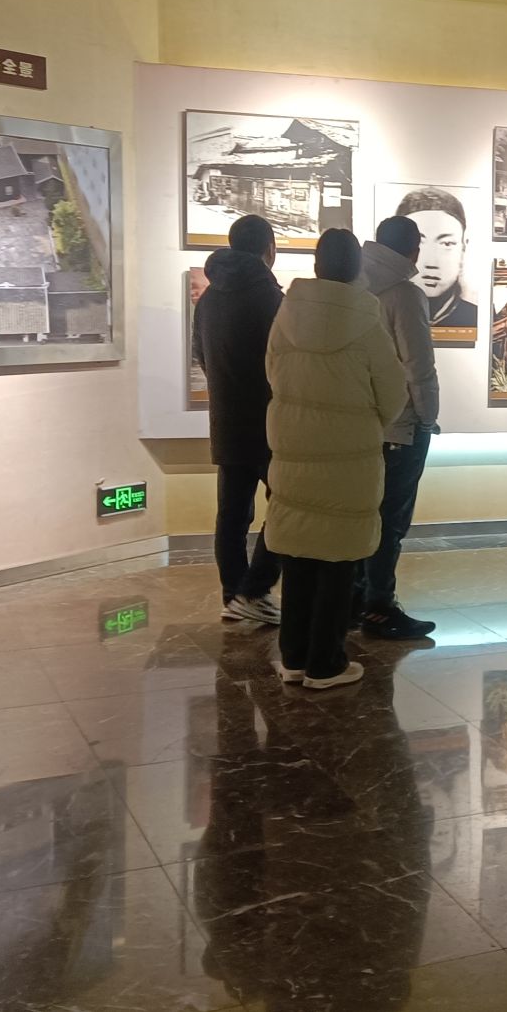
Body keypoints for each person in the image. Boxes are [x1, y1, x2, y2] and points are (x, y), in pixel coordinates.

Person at [263, 229, 407, 689]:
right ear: (356, 268)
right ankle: (326, 664)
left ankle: (294, 657)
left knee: (299, 554)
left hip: (294, 450)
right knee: (338, 558)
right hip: (349, 458)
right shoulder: (365, 320)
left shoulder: (287, 314)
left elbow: (273, 374)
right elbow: (393, 394)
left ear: (317, 264)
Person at [194, 214, 286, 625]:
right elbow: (285, 361)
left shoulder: (209, 298)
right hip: (268, 420)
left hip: (227, 419)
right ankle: (254, 589)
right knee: (288, 503)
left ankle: (233, 594)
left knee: (231, 514)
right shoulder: (269, 296)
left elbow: (201, 355)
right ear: (269, 248)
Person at [356, 215, 441, 640]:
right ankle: (379, 605)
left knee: (362, 514)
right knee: (391, 521)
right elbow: (418, 365)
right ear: (414, 250)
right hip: (400, 424)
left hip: (359, 423)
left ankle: (355, 600)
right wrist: (427, 417)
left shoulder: (352, 284)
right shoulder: (405, 294)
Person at [394, 187, 478, 330]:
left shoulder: (477, 316)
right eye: (418, 242)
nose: (431, 263)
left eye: (446, 244)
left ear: (464, 247)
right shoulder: (380, 313)